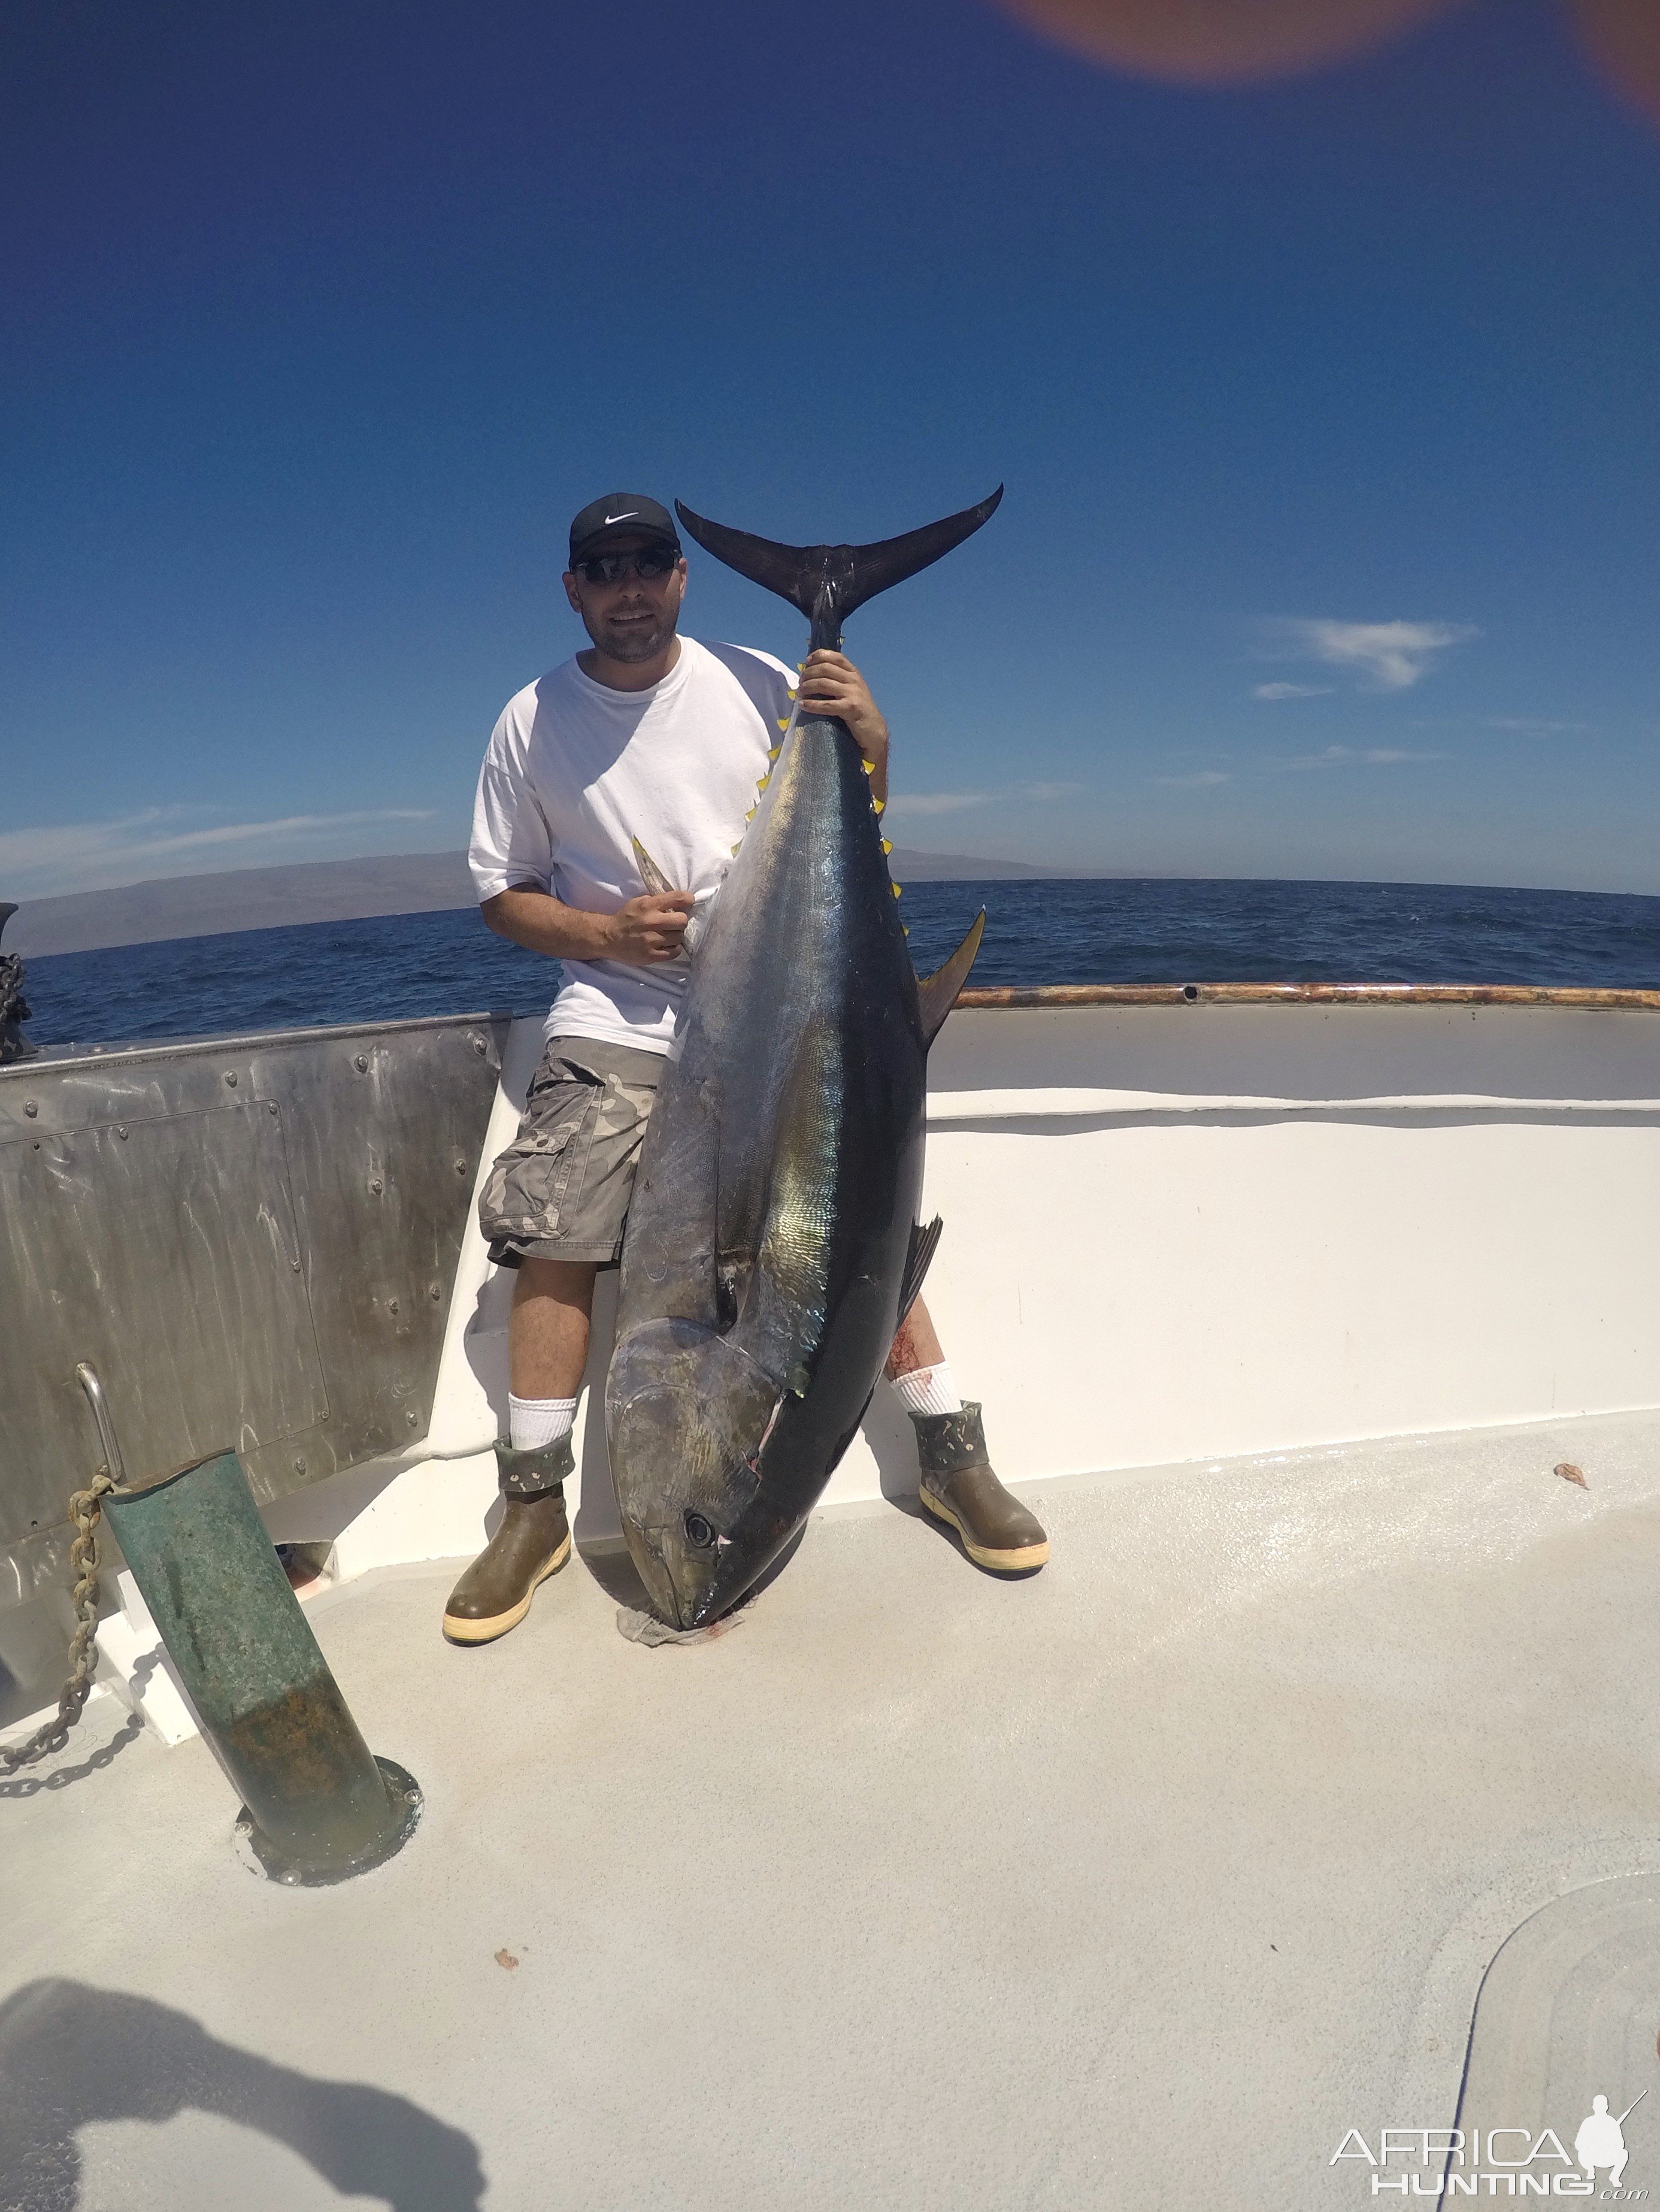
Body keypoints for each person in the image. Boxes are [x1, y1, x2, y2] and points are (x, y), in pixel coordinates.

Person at [441, 494, 1049, 1644]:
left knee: (843, 1219)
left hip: (782, 997)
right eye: (603, 568)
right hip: (622, 1009)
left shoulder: (761, 673)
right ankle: (531, 1508)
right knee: (559, 1227)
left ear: (682, 579)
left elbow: (853, 814)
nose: (629, 585)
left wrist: (873, 740)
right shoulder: (531, 718)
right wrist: (610, 938)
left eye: (649, 563)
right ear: (572, 588)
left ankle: (948, 1450)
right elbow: (501, 896)